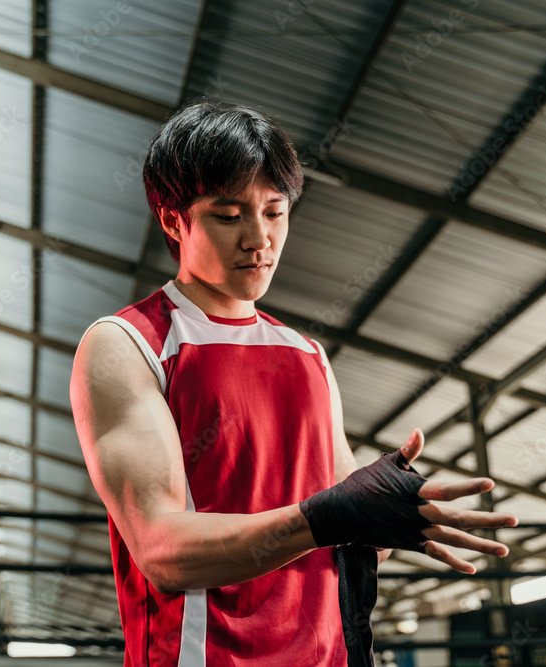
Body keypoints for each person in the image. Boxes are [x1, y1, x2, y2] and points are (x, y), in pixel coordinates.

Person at [69, 102, 518, 666]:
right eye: (228, 216)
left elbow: (345, 514)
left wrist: (399, 513)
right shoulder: (125, 344)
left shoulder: (307, 354)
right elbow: (162, 550)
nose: (259, 238)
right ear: (172, 220)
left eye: (275, 212)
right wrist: (322, 518)